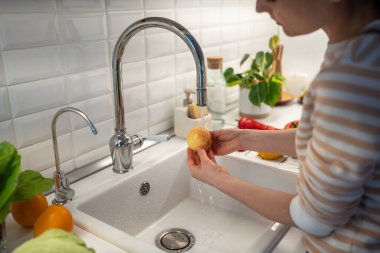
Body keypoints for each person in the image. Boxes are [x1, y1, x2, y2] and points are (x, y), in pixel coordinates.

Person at [186, 0, 380, 252]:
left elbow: (315, 220)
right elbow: (328, 141)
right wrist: (244, 138)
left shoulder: (349, 78)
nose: (260, 7)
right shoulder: (364, 51)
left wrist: (220, 179)